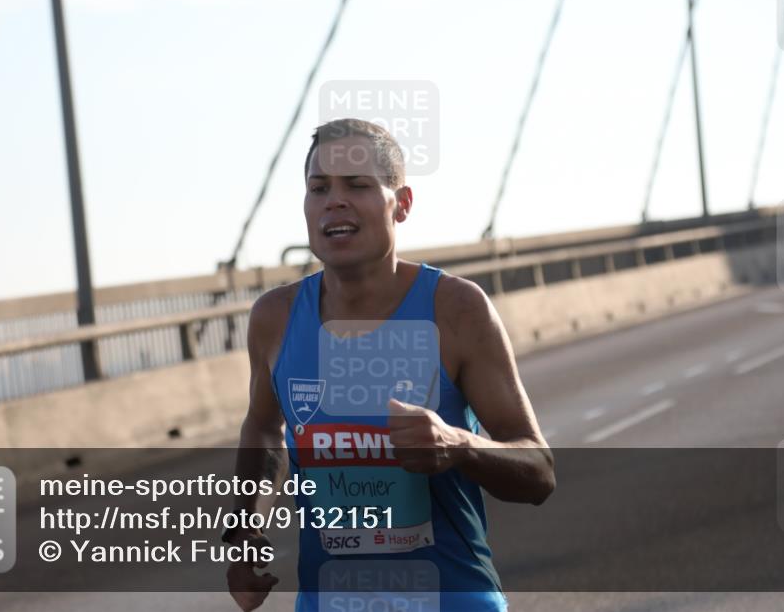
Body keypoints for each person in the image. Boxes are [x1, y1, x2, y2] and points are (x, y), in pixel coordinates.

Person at [225, 118, 555, 611]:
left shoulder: (456, 309)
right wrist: (244, 528)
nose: (334, 201)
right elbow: (264, 428)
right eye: (319, 188)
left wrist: (458, 445)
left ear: (401, 203)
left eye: (357, 185)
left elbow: (539, 470)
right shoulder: (275, 317)